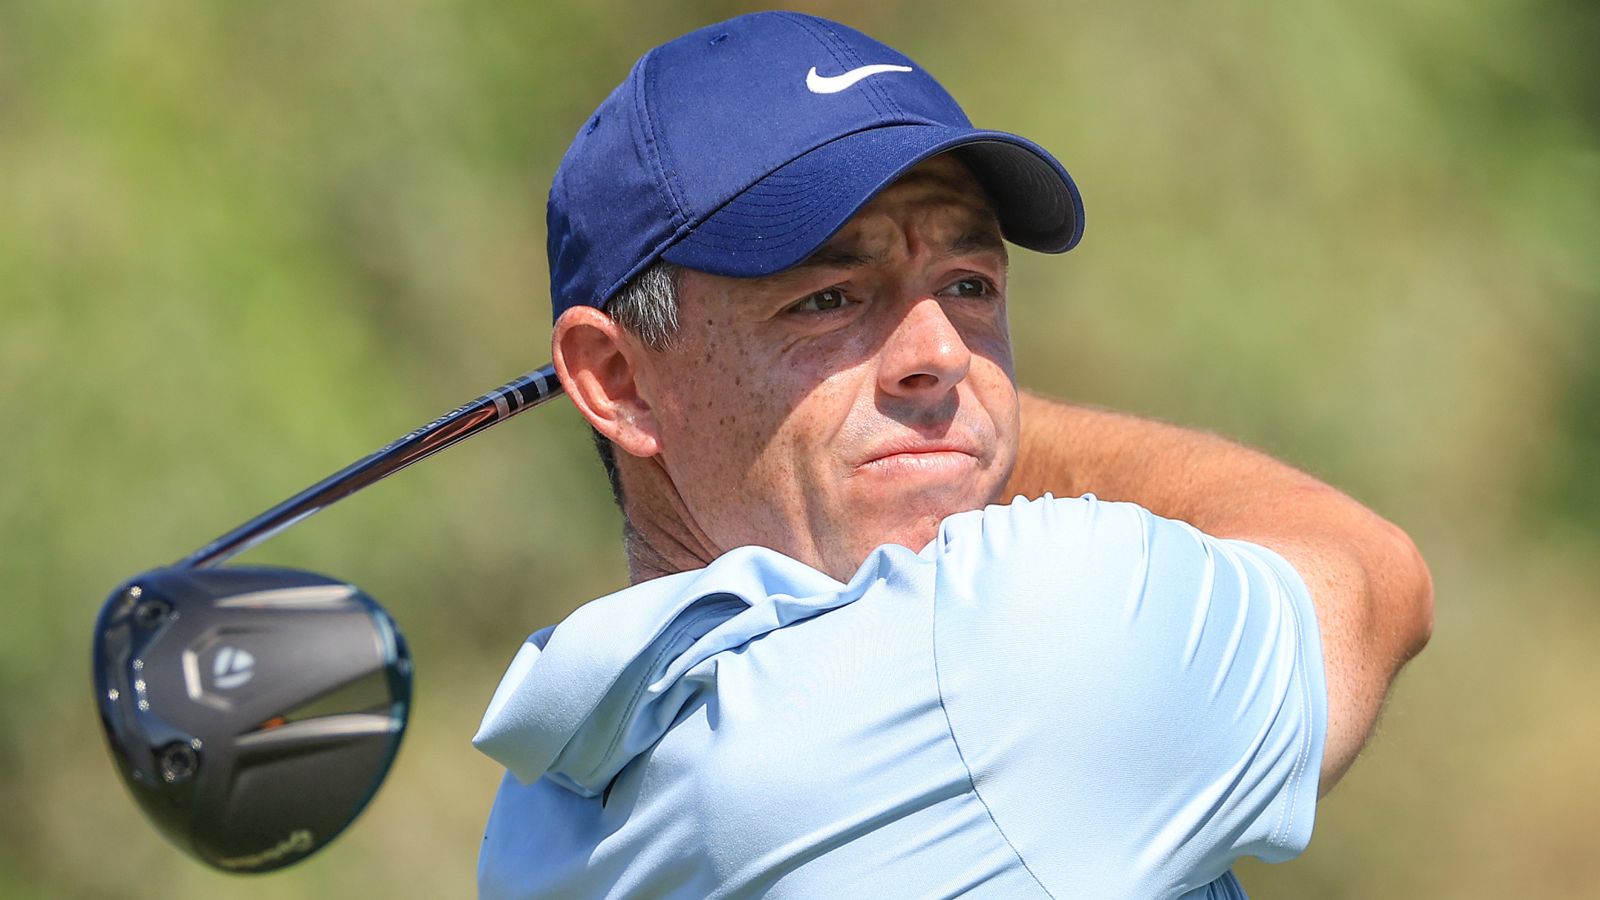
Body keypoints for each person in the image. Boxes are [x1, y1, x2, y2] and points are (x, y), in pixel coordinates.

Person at [473, 12, 1432, 899]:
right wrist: (975, 423)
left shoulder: (546, 802)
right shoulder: (1019, 649)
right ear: (617, 380)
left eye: (968, 284)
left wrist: (926, 421)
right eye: (827, 299)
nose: (940, 354)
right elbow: (1371, 578)